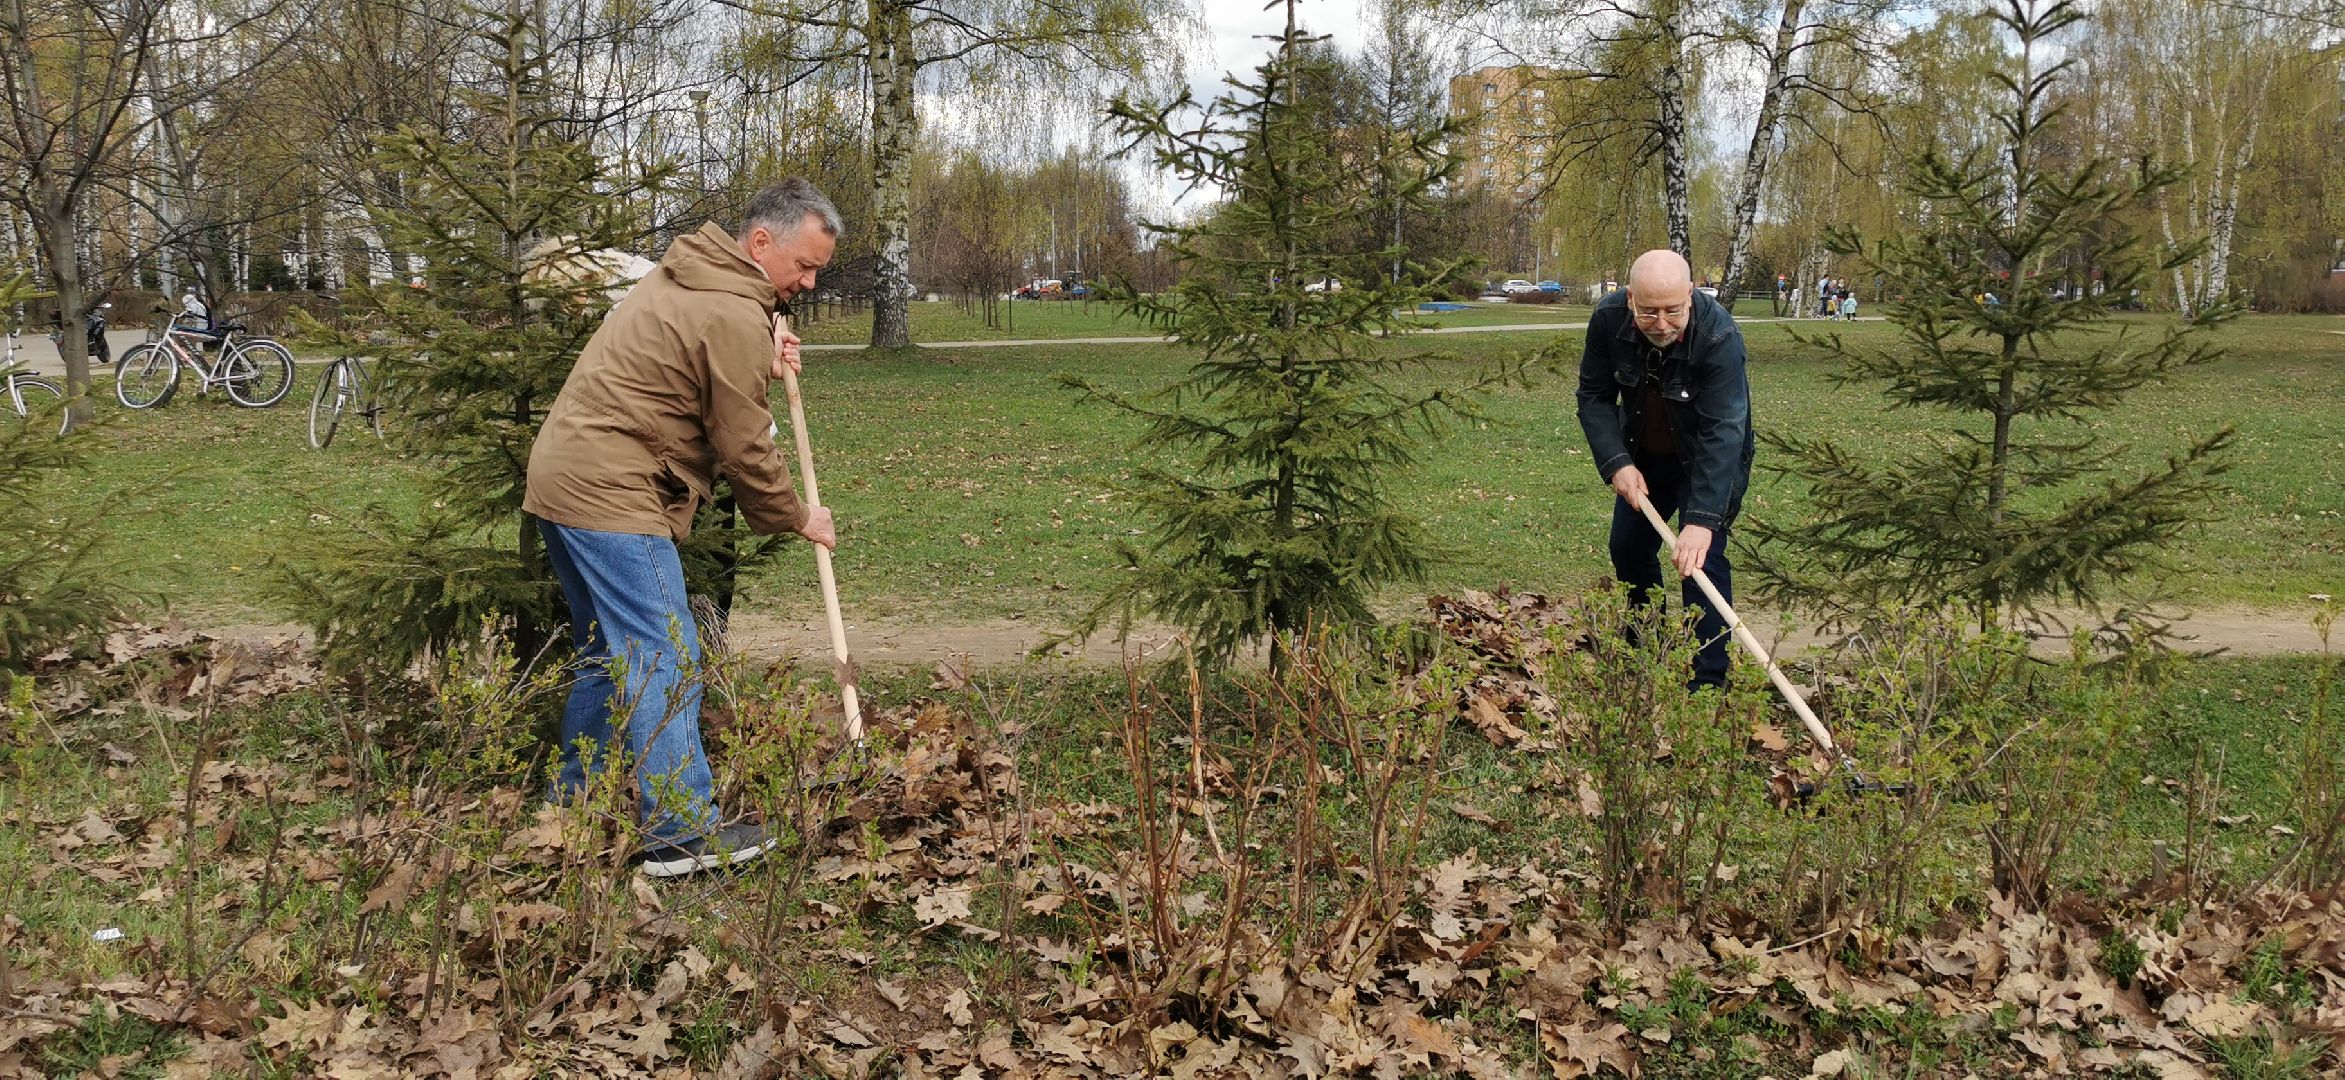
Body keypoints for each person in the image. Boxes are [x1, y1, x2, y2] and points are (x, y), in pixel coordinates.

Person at [523, 178, 842, 878]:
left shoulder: (692, 275)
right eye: (804, 266)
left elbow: (697, 349)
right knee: (665, 651)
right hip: (611, 491)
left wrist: (766, 336)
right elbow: (742, 442)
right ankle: (680, 834)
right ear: (761, 242)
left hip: (565, 480)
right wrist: (796, 516)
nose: (811, 282)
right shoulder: (727, 309)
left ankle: (571, 806)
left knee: (612, 654)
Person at [1575, 249, 1754, 691]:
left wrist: (1701, 520)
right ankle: (1643, 651)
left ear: (1690, 295)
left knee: (1700, 561)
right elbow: (1594, 396)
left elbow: (1724, 431)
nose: (1661, 323)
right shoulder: (1607, 320)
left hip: (1706, 460)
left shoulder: (1718, 336)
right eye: (1648, 311)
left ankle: (1708, 683)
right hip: (1644, 455)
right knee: (1629, 550)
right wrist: (1617, 462)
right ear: (1630, 297)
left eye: (1673, 311)